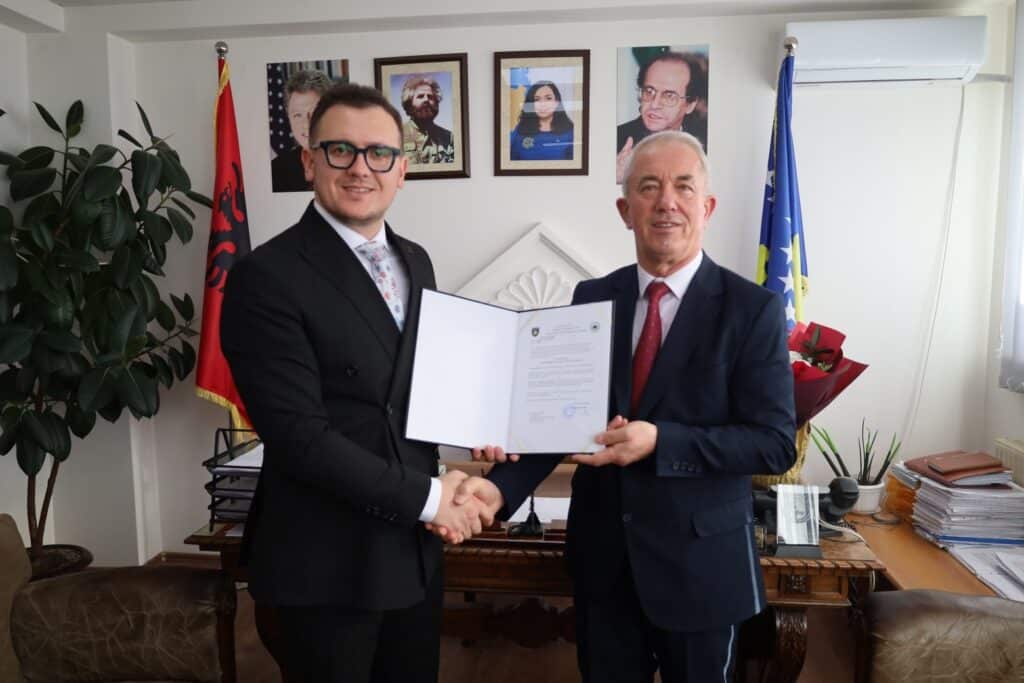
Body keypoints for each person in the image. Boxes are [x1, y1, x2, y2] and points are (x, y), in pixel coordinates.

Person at [444, 131, 796, 682]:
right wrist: (501, 489)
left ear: (707, 207)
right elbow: (562, 419)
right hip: (605, 565)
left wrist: (661, 441)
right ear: (625, 210)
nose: (666, 202)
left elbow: (773, 444)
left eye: (684, 187)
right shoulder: (591, 298)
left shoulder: (753, 309)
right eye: (648, 187)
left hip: (702, 571)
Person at [221, 82, 491, 683]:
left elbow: (412, 388)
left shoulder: (416, 259)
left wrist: (486, 423)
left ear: (402, 170)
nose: (361, 168)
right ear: (309, 161)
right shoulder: (264, 277)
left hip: (412, 551)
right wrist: (432, 499)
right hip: (324, 562)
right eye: (341, 150)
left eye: (380, 153)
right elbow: (301, 439)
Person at [616, 52, 708, 183]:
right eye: (649, 91)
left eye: (669, 96)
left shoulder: (704, 148)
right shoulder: (616, 141)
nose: (654, 104)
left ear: (690, 105)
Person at [271, 69, 332, 192]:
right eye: (297, 115)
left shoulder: (351, 161)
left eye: (314, 113)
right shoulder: (276, 169)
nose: (306, 124)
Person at [510, 80, 574, 161]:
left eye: (548, 98)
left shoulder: (570, 132)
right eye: (537, 99)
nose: (542, 104)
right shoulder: (519, 130)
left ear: (557, 102)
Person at [399, 75, 455, 164]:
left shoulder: (449, 137)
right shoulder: (397, 135)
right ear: (409, 105)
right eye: (420, 96)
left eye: (430, 97)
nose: (426, 100)